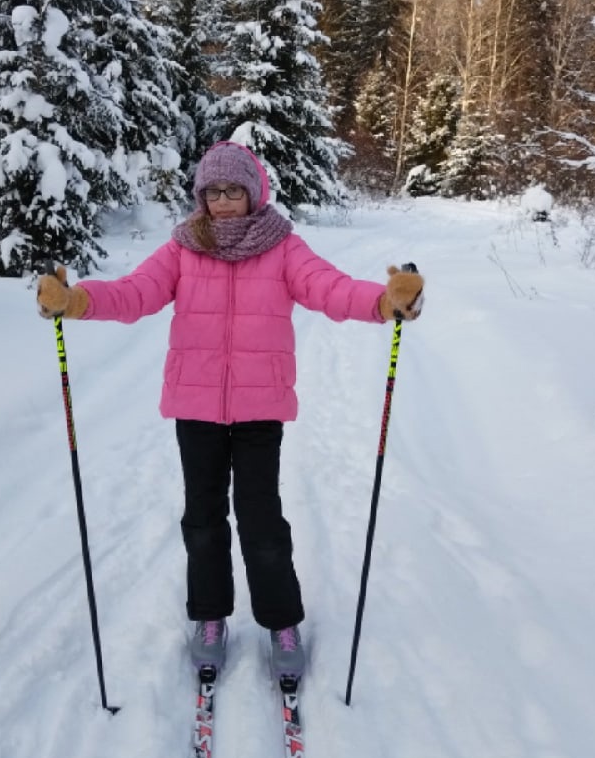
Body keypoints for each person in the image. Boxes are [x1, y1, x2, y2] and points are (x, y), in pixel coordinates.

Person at [36, 141, 424, 680]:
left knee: (261, 519)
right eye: (212, 191)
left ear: (254, 193)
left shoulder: (284, 247)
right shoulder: (182, 247)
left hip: (259, 408)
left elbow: (329, 288)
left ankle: (281, 621)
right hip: (195, 407)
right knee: (202, 518)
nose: (222, 201)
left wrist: (385, 302)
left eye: (233, 190)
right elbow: (135, 293)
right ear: (200, 195)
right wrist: (77, 300)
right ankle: (211, 616)